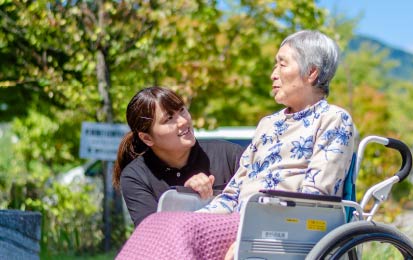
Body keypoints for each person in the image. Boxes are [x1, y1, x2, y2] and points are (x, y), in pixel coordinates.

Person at [116, 30, 358, 260]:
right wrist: (197, 219)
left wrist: (247, 238)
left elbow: (314, 200)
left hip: (279, 227)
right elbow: (234, 192)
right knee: (161, 224)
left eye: (282, 64)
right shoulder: (268, 124)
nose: (273, 73)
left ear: (312, 72)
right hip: (240, 220)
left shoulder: (334, 120)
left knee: (179, 231)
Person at [113, 86, 245, 226]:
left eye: (182, 110)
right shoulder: (135, 176)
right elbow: (152, 236)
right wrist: (185, 199)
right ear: (147, 138)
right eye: (169, 118)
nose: (183, 121)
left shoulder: (229, 154)